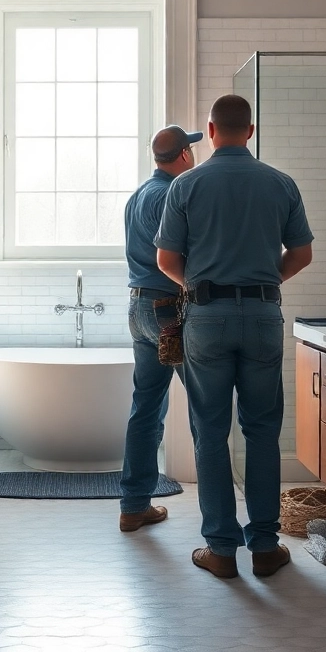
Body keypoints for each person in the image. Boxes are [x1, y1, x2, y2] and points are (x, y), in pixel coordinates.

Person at [155, 94, 314, 579]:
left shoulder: (186, 185)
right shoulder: (280, 183)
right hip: (264, 315)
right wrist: (261, 285)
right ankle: (265, 546)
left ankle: (221, 550)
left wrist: (205, 290)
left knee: (209, 431)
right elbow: (301, 253)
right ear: (250, 130)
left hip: (207, 316)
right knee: (263, 431)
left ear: (211, 128)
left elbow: (166, 260)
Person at [118, 125, 201, 532]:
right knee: (205, 407)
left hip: (139, 307)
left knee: (146, 407)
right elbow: (184, 252)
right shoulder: (173, 194)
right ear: (185, 155)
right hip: (168, 308)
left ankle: (133, 506)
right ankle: (219, 520)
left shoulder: (138, 196)